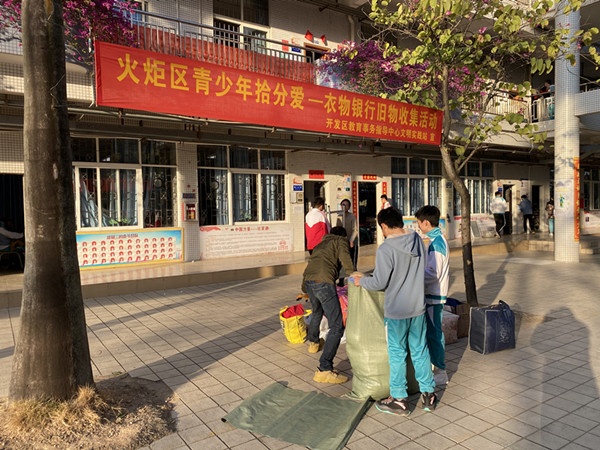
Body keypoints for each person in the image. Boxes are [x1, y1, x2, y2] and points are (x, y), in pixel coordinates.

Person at [353, 207, 437, 416]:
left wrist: (362, 281)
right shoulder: (417, 240)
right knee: (420, 350)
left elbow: (379, 282)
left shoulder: (386, 249)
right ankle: (428, 394)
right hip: (418, 307)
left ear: (383, 226)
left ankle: (399, 399)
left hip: (397, 311)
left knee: (397, 354)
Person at [302, 226, 355, 384]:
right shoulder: (340, 241)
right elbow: (346, 259)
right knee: (337, 326)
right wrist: (354, 274)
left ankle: (313, 342)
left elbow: (309, 266)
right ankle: (324, 369)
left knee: (317, 311)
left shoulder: (320, 245)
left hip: (309, 282)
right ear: (343, 236)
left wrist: (304, 289)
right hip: (323, 283)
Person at [415, 205, 450, 388]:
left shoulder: (437, 244)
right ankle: (435, 367)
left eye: (419, 223)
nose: (418, 226)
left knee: (435, 334)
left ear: (426, 223)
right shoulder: (437, 240)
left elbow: (433, 273)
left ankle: (441, 371)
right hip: (433, 294)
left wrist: (414, 276)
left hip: (434, 295)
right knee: (432, 332)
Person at [336, 198, 359, 279]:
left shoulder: (352, 216)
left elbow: (355, 230)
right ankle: (341, 280)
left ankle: (354, 280)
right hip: (343, 243)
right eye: (342, 205)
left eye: (346, 205)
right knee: (341, 262)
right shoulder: (339, 216)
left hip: (352, 243)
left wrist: (351, 240)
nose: (344, 207)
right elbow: (338, 229)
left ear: (349, 207)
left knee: (352, 262)